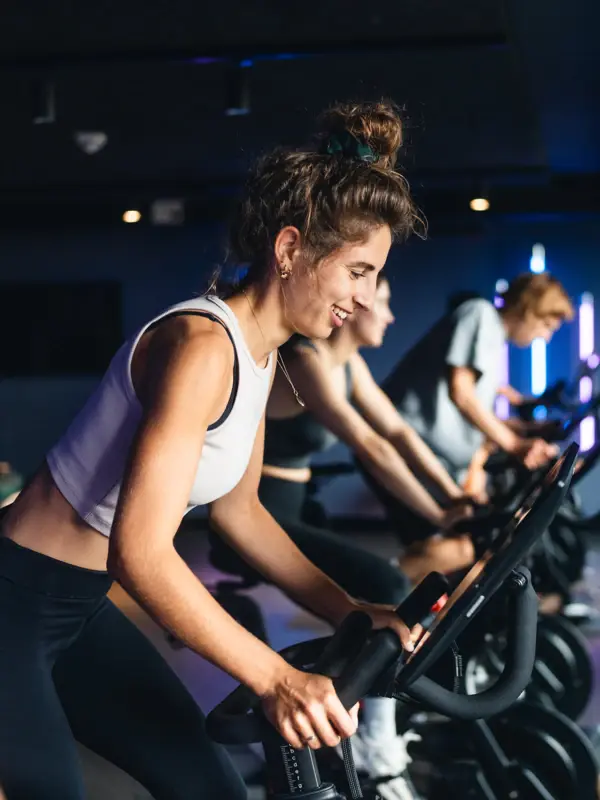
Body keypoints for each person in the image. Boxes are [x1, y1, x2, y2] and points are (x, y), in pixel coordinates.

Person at [0, 100, 422, 800]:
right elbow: (140, 551)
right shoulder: (201, 346)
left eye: (374, 276)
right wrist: (275, 678)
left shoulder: (261, 358)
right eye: (357, 271)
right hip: (12, 599)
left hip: (79, 609)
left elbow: (240, 514)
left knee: (209, 786)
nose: (364, 296)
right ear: (289, 249)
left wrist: (347, 609)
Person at [382, 273, 574, 524]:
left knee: (473, 541)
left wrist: (530, 429)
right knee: (459, 546)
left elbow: (476, 413)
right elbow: (461, 394)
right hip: (409, 453)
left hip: (434, 459)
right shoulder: (480, 314)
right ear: (529, 310)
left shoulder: (494, 338)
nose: (546, 337)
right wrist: (515, 444)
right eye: (547, 326)